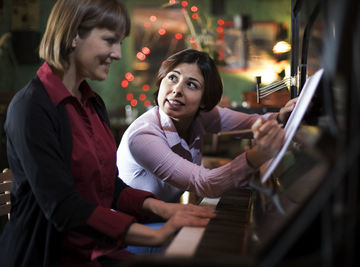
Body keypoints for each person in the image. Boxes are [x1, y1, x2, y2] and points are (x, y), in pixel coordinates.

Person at [0, 1, 216, 266]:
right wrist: (155, 236)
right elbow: (63, 208)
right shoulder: (31, 108)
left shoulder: (92, 103)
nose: (117, 53)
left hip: (93, 250)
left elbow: (109, 185)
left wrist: (166, 209)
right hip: (47, 256)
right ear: (74, 35)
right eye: (109, 41)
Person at [117, 49, 297, 203]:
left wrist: (282, 116)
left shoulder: (203, 116)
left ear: (204, 100)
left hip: (165, 218)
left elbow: (253, 123)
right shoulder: (143, 136)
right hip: (135, 230)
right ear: (161, 80)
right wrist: (258, 155)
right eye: (172, 77)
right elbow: (204, 183)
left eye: (191, 84)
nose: (177, 90)